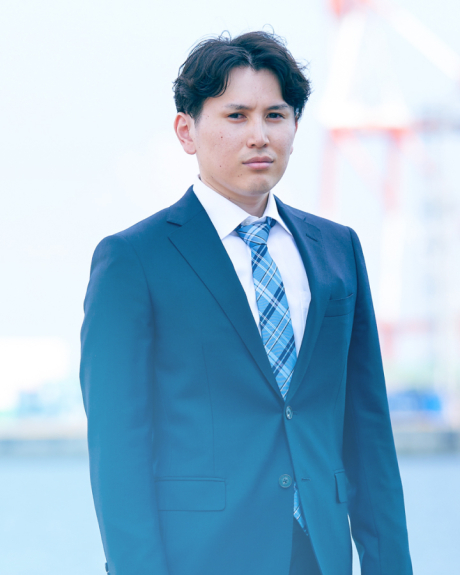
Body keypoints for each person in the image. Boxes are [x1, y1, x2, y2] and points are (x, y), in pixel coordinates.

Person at [80, 31, 412, 575]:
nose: (259, 135)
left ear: (295, 127)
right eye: (236, 116)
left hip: (322, 554)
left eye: (275, 116)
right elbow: (118, 452)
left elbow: (368, 432)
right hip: (201, 557)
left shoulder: (337, 250)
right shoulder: (133, 260)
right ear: (186, 131)